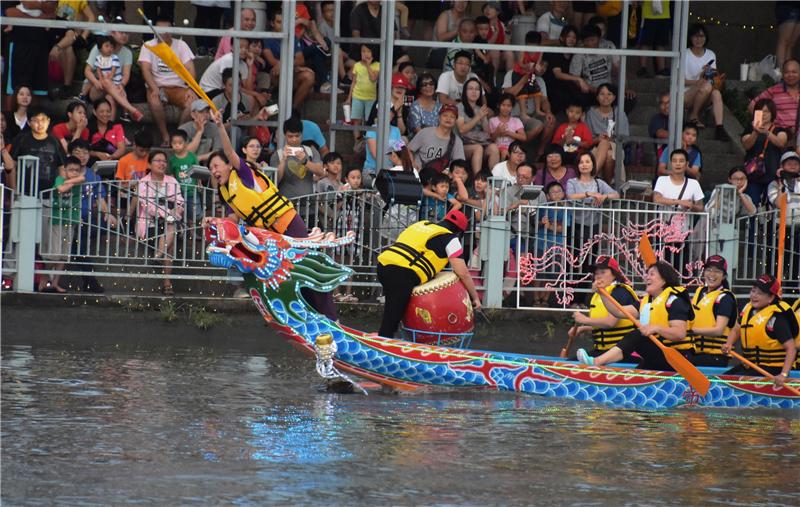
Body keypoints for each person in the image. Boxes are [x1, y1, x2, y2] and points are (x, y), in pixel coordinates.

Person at [209, 111, 338, 321]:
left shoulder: (241, 173)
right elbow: (233, 219)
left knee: (307, 266)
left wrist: (220, 127)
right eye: (210, 168)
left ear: (228, 165)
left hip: (286, 221)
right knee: (286, 274)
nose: (213, 170)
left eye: (216, 166)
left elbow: (230, 152)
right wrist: (215, 222)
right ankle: (305, 315)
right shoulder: (225, 192)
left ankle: (331, 318)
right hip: (270, 235)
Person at [376, 209, 481, 338]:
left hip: (383, 264)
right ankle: (385, 344)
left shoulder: (421, 225)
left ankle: (387, 338)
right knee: (393, 315)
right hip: (402, 273)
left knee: (393, 312)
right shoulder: (451, 239)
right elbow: (462, 272)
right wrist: (475, 297)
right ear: (459, 232)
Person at [577, 261, 695, 371]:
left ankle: (597, 362)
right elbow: (619, 312)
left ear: (664, 280)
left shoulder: (675, 301)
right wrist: (602, 293)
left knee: (638, 334)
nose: (647, 277)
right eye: (647, 274)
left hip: (678, 358)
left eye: (652, 274)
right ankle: (597, 362)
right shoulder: (646, 302)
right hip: (657, 354)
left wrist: (656, 328)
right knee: (636, 366)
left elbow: (679, 333)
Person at [722, 274, 799, 386]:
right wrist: (728, 344)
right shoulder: (748, 309)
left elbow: (791, 349)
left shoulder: (776, 318)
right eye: (753, 291)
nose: (754, 296)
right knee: (723, 379)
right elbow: (736, 330)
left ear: (771, 298)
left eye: (760, 293)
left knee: (726, 383)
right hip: (751, 366)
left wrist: (783, 375)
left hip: (771, 370)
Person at [138, 16, 198, 147]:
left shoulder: (181, 45)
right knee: (155, 101)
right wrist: (154, 88)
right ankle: (165, 136)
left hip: (178, 87)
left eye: (167, 29)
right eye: (160, 29)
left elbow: (190, 68)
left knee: (193, 103)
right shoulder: (148, 45)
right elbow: (146, 70)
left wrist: (191, 88)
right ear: (154, 30)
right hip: (157, 86)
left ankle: (177, 136)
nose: (164, 32)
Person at [567, 256, 639, 359]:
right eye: (596, 273)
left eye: (603, 272)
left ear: (614, 274)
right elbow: (604, 325)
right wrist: (582, 328)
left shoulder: (620, 291)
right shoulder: (599, 294)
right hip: (603, 350)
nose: (598, 276)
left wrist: (585, 320)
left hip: (623, 352)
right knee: (571, 361)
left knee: (573, 363)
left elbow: (610, 322)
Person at [136, 150, 184, 296]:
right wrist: (167, 213)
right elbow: (147, 206)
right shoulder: (143, 182)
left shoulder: (172, 181)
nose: (161, 163)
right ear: (150, 164)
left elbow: (180, 202)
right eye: (157, 160)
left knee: (170, 227)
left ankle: (158, 256)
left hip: (170, 223)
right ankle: (167, 283)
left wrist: (172, 214)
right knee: (169, 236)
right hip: (149, 223)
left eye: (164, 161)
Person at [40, 156, 84, 293]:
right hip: (57, 221)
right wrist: (71, 181)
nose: (74, 173)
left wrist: (70, 180)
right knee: (55, 254)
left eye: (77, 170)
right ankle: (43, 277)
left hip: (72, 220)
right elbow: (60, 189)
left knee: (64, 255)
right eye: (71, 170)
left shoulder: (77, 179)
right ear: (64, 169)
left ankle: (55, 282)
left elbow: (82, 178)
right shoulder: (59, 179)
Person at [686, 255, 737, 367]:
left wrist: (691, 330)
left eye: (717, 271)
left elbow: (719, 330)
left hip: (715, 357)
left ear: (723, 276)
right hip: (696, 352)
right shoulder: (700, 292)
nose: (712, 275)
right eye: (708, 270)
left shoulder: (725, 298)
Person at [683, 24, 731, 142]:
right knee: (705, 85)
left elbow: (712, 80)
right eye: (695, 36)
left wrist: (712, 74)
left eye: (702, 36)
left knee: (716, 94)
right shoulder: (685, 53)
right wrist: (698, 82)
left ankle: (719, 127)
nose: (699, 39)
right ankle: (694, 115)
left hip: (704, 92)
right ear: (690, 38)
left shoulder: (710, 54)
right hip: (686, 94)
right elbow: (679, 79)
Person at [741, 98, 790, 207]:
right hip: (753, 175)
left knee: (771, 205)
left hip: (772, 174)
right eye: (760, 111)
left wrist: (767, 132)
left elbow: (781, 142)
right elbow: (746, 145)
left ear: (772, 113)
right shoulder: (750, 128)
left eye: (767, 111)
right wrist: (755, 132)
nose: (764, 114)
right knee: (752, 202)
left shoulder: (779, 129)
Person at [7, 108, 66, 195]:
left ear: (48, 121)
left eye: (43, 119)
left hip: (48, 193)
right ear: (29, 122)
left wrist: (58, 187)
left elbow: (62, 168)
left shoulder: (55, 141)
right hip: (24, 192)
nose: (40, 123)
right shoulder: (21, 139)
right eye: (36, 120)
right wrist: (14, 190)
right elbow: (11, 166)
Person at [87, 34, 143, 122]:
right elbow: (87, 71)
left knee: (111, 99)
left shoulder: (127, 52)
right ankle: (131, 110)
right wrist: (96, 81)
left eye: (125, 31)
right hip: (97, 89)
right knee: (106, 81)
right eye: (120, 31)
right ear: (112, 32)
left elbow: (126, 75)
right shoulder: (99, 47)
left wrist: (121, 85)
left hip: (115, 88)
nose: (124, 35)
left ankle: (109, 129)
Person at [768, 151, 800, 290]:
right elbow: (779, 203)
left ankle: (792, 291)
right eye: (789, 163)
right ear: (782, 166)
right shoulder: (774, 184)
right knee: (778, 262)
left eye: (795, 163)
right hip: (780, 229)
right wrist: (782, 181)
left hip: (798, 228)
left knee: (795, 262)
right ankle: (775, 290)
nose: (792, 166)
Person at [585, 83, 630, 183]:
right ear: (597, 97)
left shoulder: (619, 113)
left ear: (614, 97)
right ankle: (608, 186)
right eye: (602, 94)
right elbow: (587, 139)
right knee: (609, 154)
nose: (605, 97)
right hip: (595, 148)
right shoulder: (591, 114)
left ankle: (590, 177)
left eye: (609, 94)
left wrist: (612, 139)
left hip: (616, 146)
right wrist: (598, 139)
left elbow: (625, 138)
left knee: (606, 144)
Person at [457, 78, 499, 175]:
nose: (474, 92)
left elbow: (487, 134)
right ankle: (478, 179)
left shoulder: (480, 109)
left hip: (479, 143)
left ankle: (495, 180)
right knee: (478, 148)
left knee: (493, 147)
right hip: (462, 146)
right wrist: (478, 117)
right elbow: (462, 129)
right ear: (465, 92)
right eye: (470, 89)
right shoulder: (459, 107)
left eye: (477, 89)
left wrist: (483, 118)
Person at [407, 104, 465, 175]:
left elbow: (459, 164)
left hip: (441, 178)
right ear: (439, 118)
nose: (448, 119)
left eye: (452, 117)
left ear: (455, 120)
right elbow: (408, 150)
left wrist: (450, 173)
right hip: (420, 173)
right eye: (445, 115)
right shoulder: (425, 132)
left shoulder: (457, 141)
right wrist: (412, 163)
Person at [748, 59, 799, 136]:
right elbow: (752, 105)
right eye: (787, 72)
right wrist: (765, 124)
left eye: (794, 72)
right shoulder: (774, 90)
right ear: (782, 74)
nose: (790, 75)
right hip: (780, 135)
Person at [344, 44, 380, 139]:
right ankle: (357, 141)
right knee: (356, 119)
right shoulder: (357, 65)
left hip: (371, 97)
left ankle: (367, 140)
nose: (365, 54)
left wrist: (368, 65)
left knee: (369, 120)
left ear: (373, 52)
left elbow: (373, 78)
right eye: (363, 51)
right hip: (357, 96)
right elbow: (353, 82)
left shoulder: (377, 65)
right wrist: (349, 98)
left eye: (368, 51)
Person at [168, 130, 202, 226]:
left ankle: (196, 229)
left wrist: (199, 183)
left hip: (192, 190)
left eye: (180, 143)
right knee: (183, 213)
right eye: (174, 143)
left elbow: (198, 171)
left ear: (186, 143)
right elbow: (172, 175)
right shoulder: (172, 160)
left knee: (196, 213)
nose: (177, 145)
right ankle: (188, 232)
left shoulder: (192, 157)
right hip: (180, 192)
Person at [636, 0, 672, 78]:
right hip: (647, 15)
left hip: (664, 14)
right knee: (645, 42)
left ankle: (661, 69)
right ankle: (643, 68)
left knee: (661, 43)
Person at [489, 93, 526, 161]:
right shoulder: (492, 121)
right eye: (503, 105)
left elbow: (523, 137)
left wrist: (508, 133)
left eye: (509, 106)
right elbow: (490, 139)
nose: (506, 108)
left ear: (512, 107)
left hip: (511, 149)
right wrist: (498, 131)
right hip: (497, 149)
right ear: (498, 105)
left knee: (507, 152)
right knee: (504, 152)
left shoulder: (516, 121)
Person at [775, 2, 800, 69]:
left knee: (791, 43)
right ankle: (782, 72)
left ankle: (788, 71)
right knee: (784, 41)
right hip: (787, 5)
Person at [648, 92, 670, 162]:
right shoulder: (656, 118)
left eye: (668, 102)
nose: (666, 106)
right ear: (659, 105)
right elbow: (660, 133)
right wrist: (680, 136)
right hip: (663, 160)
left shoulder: (680, 118)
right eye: (663, 103)